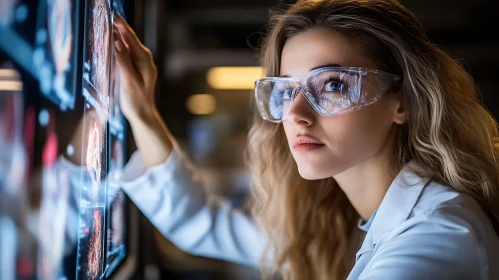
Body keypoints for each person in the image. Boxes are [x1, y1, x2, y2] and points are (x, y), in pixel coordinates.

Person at [111, 0, 499, 279]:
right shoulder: (340, 220)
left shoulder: (438, 239)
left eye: (332, 84)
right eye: (286, 90)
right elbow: (202, 223)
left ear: (403, 101)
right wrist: (141, 112)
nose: (295, 113)